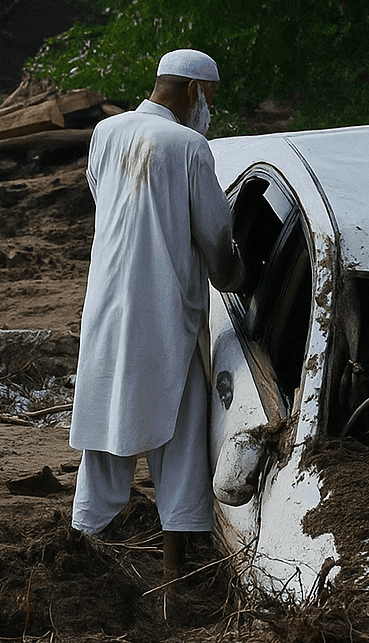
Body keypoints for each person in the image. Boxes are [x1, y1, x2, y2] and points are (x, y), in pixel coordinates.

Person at [69, 48, 244, 591]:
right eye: (209, 99)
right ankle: (172, 580)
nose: (207, 110)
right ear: (193, 91)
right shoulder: (190, 147)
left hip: (106, 307)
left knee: (103, 429)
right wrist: (236, 275)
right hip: (164, 313)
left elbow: (108, 200)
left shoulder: (106, 131)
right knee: (181, 435)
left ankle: (81, 561)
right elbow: (216, 239)